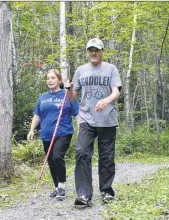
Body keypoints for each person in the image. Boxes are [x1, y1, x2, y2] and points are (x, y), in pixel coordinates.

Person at [67, 38, 122, 206]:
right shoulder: (80, 70)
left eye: (96, 50)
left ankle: (106, 191)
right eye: (90, 50)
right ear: (87, 52)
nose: (93, 53)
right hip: (86, 118)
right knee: (82, 152)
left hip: (107, 119)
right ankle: (84, 194)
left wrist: (107, 100)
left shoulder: (111, 69)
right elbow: (72, 98)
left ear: (102, 51)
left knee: (106, 156)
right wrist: (68, 89)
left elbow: (116, 92)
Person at [27, 69, 79, 200]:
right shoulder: (43, 97)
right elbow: (37, 115)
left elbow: (77, 113)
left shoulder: (67, 94)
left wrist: (80, 129)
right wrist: (32, 129)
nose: (50, 80)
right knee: (51, 161)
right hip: (46, 134)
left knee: (57, 157)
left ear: (59, 80)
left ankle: (62, 186)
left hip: (63, 132)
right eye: (48, 78)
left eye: (53, 78)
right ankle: (56, 187)